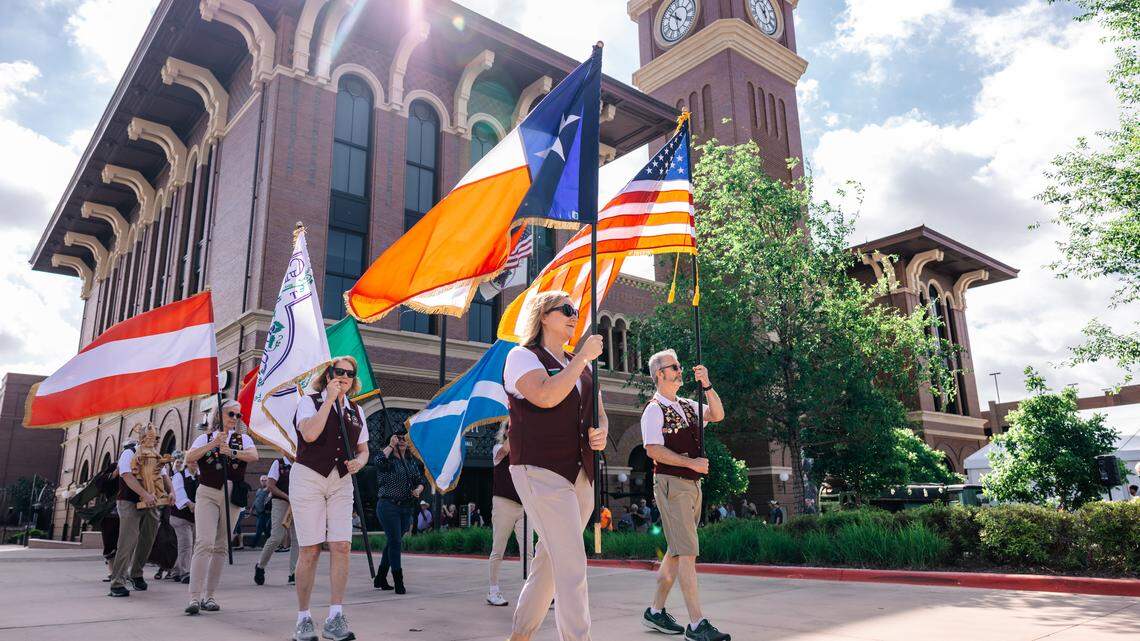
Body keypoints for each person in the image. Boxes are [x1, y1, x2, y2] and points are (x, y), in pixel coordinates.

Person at [504, 290, 608, 641]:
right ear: (544, 315)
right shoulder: (522, 357)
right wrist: (580, 359)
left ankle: (520, 635)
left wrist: (602, 433)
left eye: (576, 310)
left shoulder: (581, 364)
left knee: (550, 561)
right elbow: (546, 395)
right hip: (540, 469)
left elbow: (599, 414)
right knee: (572, 564)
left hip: (580, 474)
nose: (573, 315)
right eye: (565, 309)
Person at [639, 348, 729, 641]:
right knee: (687, 552)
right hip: (671, 483)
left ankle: (655, 611)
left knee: (676, 552)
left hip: (692, 486)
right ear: (659, 374)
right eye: (674, 366)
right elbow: (653, 449)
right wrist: (690, 462)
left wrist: (708, 385)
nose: (680, 370)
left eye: (679, 366)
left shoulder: (688, 405)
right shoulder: (654, 409)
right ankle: (696, 624)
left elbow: (717, 414)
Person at [290, 356, 370, 641]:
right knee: (310, 549)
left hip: (341, 481)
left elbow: (363, 449)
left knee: (342, 545)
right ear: (328, 375)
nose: (345, 377)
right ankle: (303, 618)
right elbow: (310, 434)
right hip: (309, 477)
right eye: (339, 372)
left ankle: (336, 616)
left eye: (350, 373)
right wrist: (329, 402)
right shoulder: (309, 401)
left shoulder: (357, 411)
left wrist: (359, 462)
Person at [184, 399, 258, 614]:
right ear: (220, 415)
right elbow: (189, 456)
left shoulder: (243, 439)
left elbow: (254, 456)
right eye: (231, 414)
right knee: (204, 542)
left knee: (221, 545)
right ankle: (194, 598)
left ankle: (210, 596)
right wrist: (213, 445)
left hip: (232, 494)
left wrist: (232, 453)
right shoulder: (204, 437)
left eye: (238, 415)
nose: (234, 419)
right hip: (208, 491)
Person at [107, 427, 163, 597]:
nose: (154, 440)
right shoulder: (129, 452)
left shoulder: (155, 454)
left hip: (152, 501)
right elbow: (126, 475)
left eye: (157, 437)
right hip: (129, 501)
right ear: (143, 437)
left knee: (148, 538)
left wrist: (172, 492)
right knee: (128, 540)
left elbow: (163, 474)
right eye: (151, 436)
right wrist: (144, 494)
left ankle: (136, 574)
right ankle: (117, 582)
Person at [373, 428, 425, 594]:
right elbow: (378, 461)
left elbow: (420, 481)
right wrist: (390, 445)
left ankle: (380, 577)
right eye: (399, 438)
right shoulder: (387, 459)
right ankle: (398, 581)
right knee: (395, 542)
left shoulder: (410, 462)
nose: (402, 440)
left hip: (405, 507)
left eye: (405, 438)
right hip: (388, 506)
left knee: (392, 542)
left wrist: (418, 490)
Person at [487, 425, 534, 607]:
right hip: (503, 503)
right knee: (498, 549)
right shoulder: (498, 449)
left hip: (523, 506)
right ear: (505, 431)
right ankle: (493, 590)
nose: (512, 429)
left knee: (528, 552)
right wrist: (518, 427)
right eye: (509, 427)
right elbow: (506, 449)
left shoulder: (526, 453)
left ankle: (532, 592)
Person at [255, 456, 299, 587]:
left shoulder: (300, 463)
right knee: (276, 537)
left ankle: (293, 573)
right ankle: (260, 566)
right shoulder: (278, 463)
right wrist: (288, 497)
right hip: (280, 502)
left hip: (298, 503)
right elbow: (270, 486)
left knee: (297, 539)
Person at [168, 454, 196, 584]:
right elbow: (178, 492)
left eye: (196, 461)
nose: (194, 463)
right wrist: (189, 504)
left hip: (193, 518)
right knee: (186, 545)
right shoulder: (180, 476)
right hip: (179, 517)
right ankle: (185, 573)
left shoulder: (199, 477)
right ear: (187, 462)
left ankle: (176, 571)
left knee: (188, 545)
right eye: (191, 461)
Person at [252, 475, 272, 548]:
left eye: (265, 480)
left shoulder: (269, 490)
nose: (263, 482)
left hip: (266, 513)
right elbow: (256, 501)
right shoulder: (259, 490)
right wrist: (251, 510)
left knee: (260, 529)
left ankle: (253, 545)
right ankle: (270, 545)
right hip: (259, 513)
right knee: (265, 530)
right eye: (262, 480)